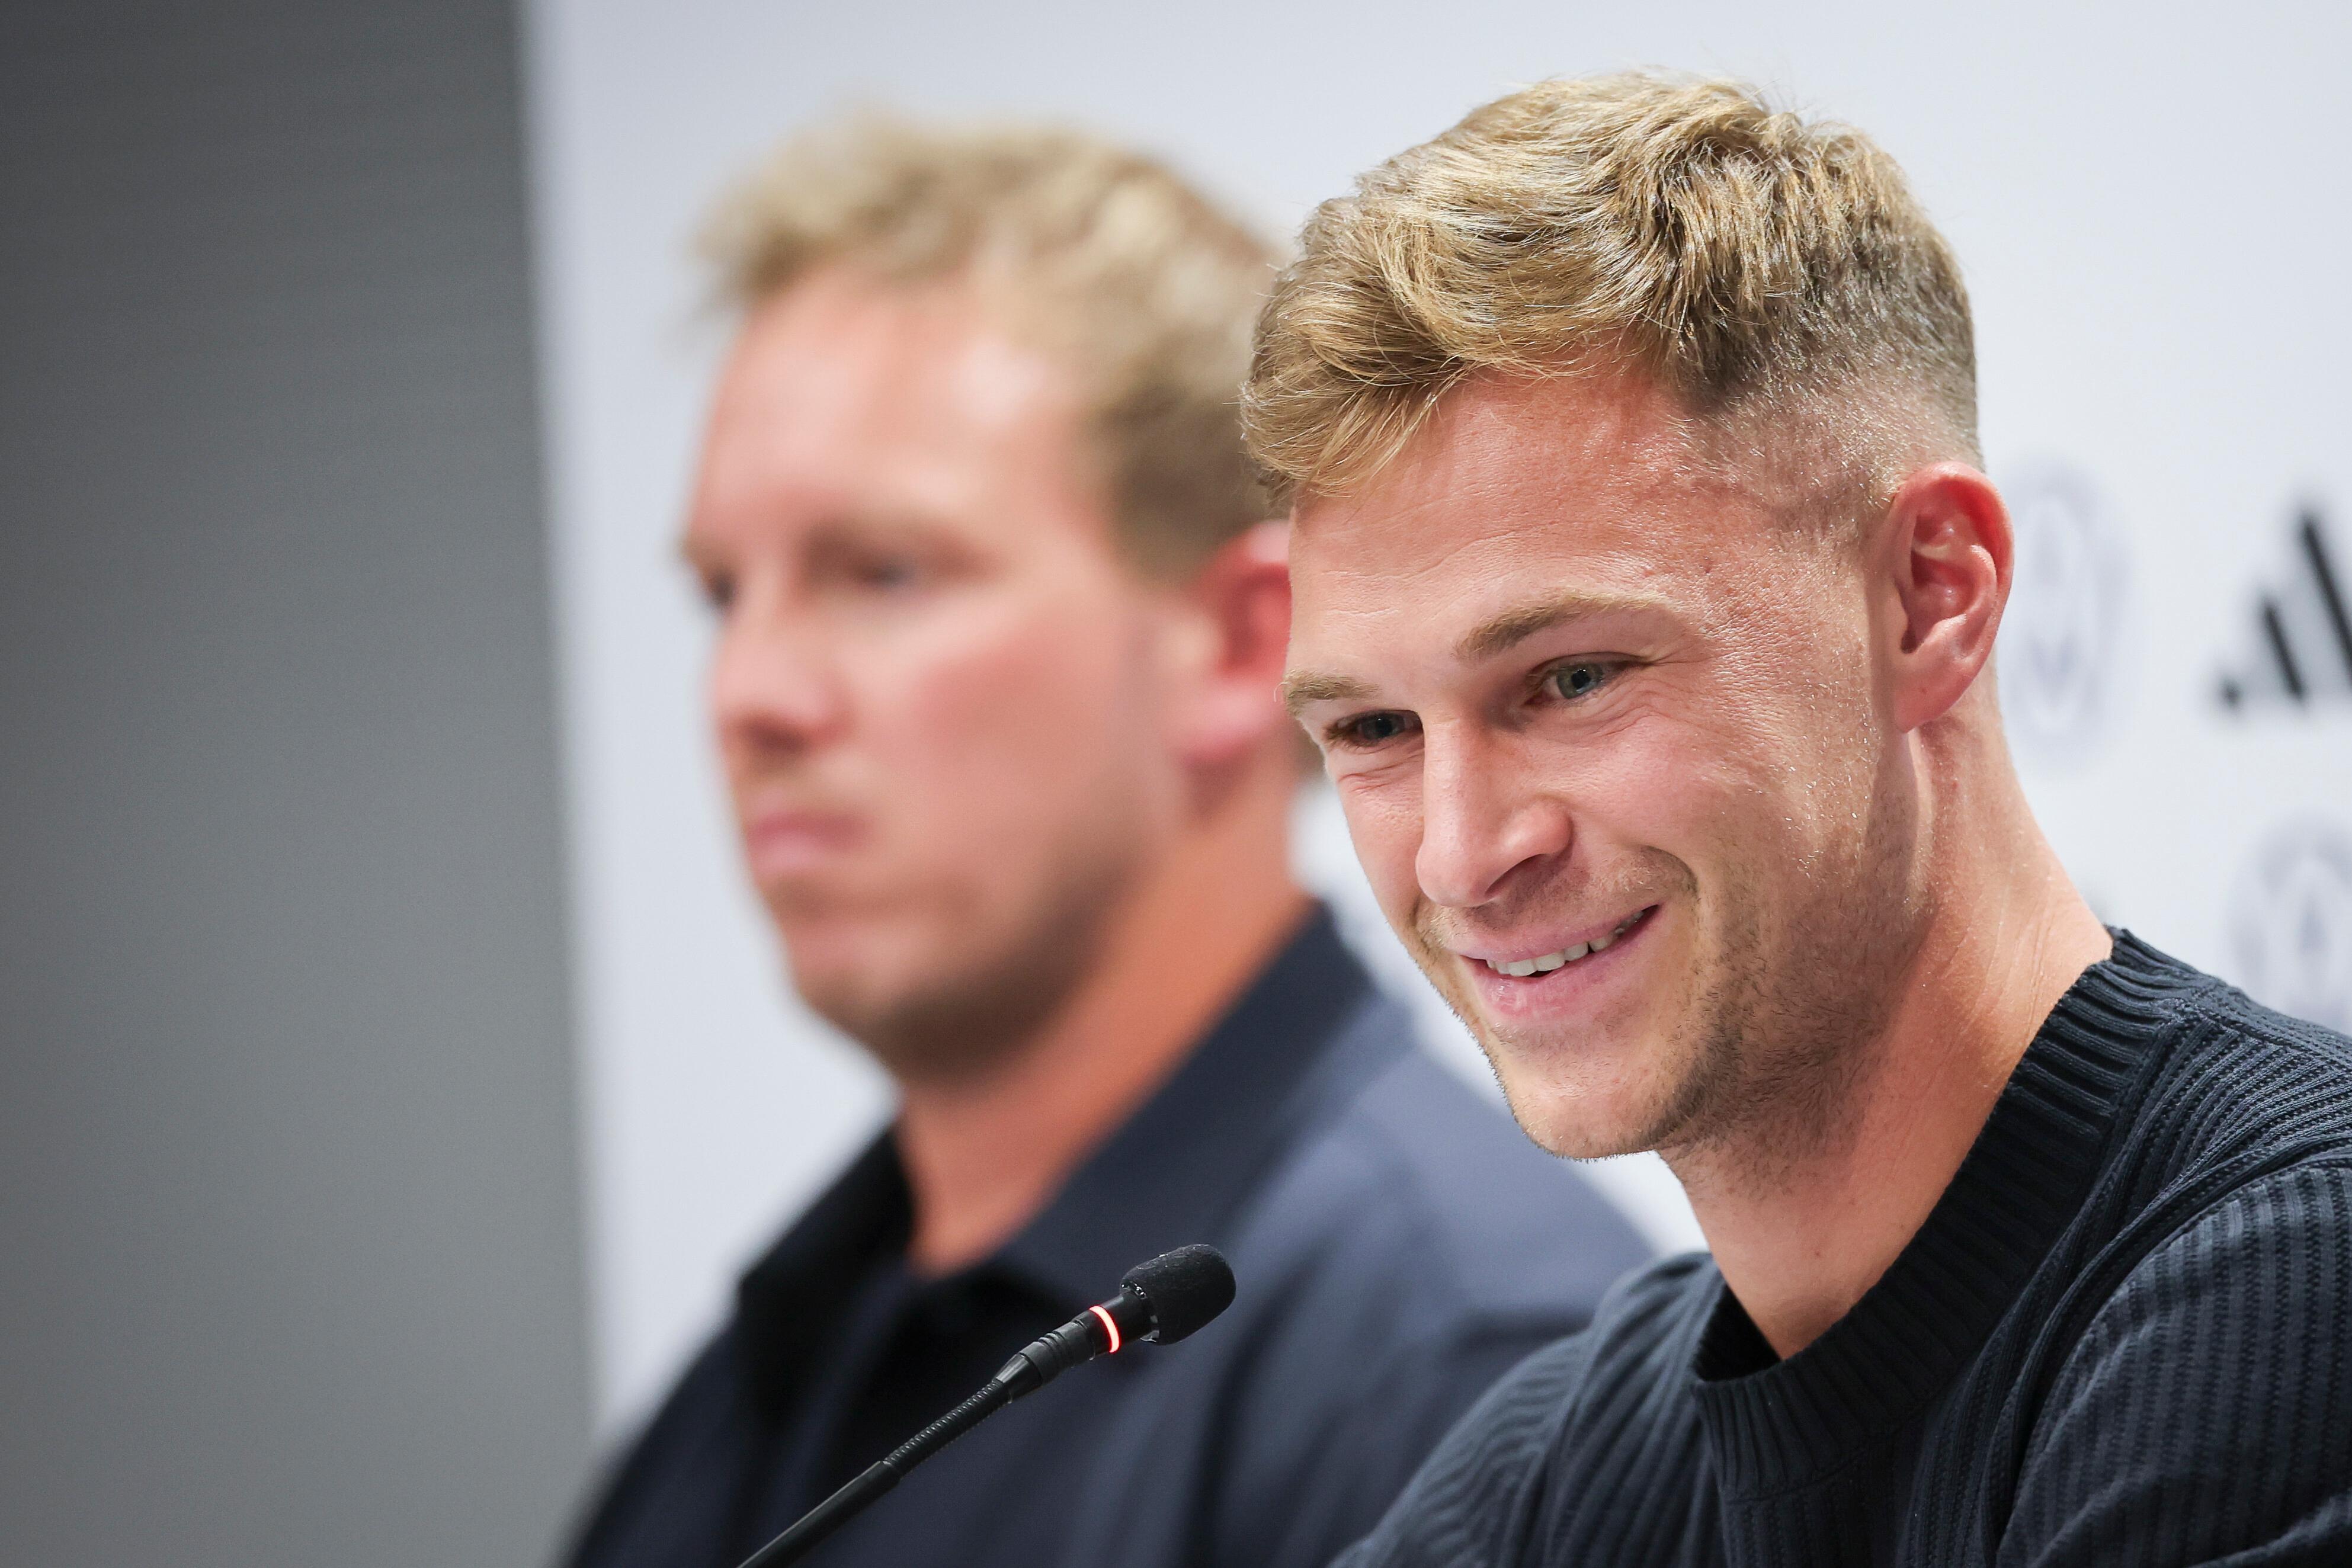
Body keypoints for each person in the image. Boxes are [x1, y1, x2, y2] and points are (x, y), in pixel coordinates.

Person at [1254, 72, 2352, 1566]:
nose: (1460, 852)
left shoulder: (2293, 1288)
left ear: (1927, 597)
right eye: (1373, 729)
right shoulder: (1555, 1473)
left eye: (1570, 678)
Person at [562, 117, 1648, 1568]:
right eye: (721, 594)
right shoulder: (768, 1361)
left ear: (1235, 644)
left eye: (880, 572)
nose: (751, 693)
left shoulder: (1462, 1374)